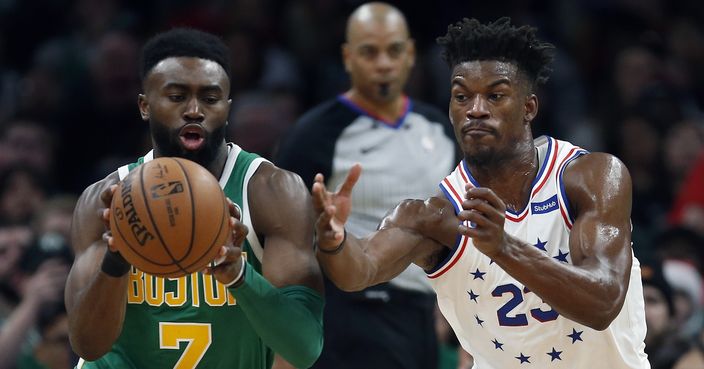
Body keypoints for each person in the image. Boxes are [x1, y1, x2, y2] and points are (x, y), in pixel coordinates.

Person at [312, 17, 650, 368]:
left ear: (528, 108)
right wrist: (335, 239)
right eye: (462, 96)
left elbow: (603, 303)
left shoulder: (589, 176)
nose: (475, 109)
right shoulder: (434, 217)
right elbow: (358, 271)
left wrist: (503, 247)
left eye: (495, 95)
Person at [65, 28, 324, 369]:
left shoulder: (272, 192)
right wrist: (116, 260)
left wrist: (239, 276)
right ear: (145, 106)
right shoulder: (104, 199)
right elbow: (88, 344)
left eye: (210, 98)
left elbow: (303, 349)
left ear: (228, 108)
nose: (194, 110)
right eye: (176, 97)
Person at [275, 3, 456, 368]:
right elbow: (285, 241)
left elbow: (456, 228)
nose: (384, 63)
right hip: (350, 313)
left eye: (393, 50)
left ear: (410, 54)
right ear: (347, 57)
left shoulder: (441, 129)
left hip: (426, 316)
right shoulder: (312, 135)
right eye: (370, 52)